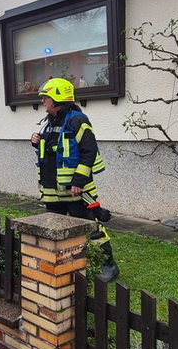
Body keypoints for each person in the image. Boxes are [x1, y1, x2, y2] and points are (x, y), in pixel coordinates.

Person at [30, 78, 119, 282]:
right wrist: (36, 142)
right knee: (55, 229)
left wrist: (78, 181)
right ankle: (66, 263)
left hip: (76, 191)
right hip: (53, 191)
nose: (43, 101)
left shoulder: (78, 120)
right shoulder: (49, 122)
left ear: (58, 98)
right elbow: (56, 150)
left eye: (46, 98)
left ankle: (109, 266)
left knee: (92, 230)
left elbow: (89, 152)